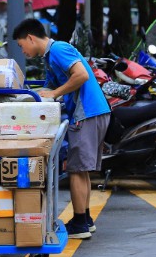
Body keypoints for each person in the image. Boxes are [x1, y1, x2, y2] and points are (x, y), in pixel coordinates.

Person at [13, 19, 111, 239]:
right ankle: (84, 219)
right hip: (95, 112)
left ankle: (79, 224)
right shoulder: (49, 57)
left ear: (31, 37)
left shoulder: (58, 49)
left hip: (86, 113)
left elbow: (81, 75)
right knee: (82, 169)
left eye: (21, 45)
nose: (23, 50)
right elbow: (48, 88)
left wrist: (56, 93)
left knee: (76, 169)